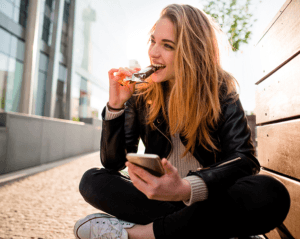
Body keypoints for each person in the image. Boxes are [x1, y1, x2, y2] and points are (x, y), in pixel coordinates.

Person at [74, 4, 290, 239]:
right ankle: (210, 231)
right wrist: (116, 106)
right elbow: (113, 162)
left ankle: (138, 234)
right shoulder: (141, 94)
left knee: (272, 192)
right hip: (164, 201)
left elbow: (244, 160)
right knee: (92, 180)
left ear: (192, 51)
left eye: (167, 46)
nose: (154, 52)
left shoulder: (222, 91)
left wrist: (184, 188)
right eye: (152, 40)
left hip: (207, 199)